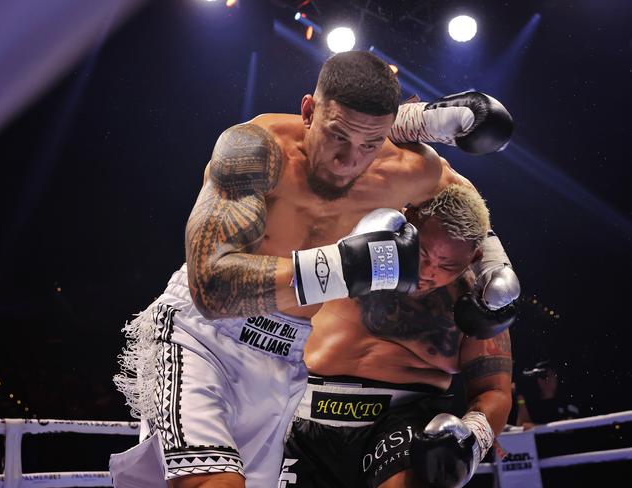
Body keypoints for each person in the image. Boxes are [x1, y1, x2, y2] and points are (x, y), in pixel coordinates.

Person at [110, 50, 519, 488]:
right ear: (308, 111)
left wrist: (497, 271)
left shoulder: (405, 172)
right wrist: (345, 267)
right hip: (204, 337)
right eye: (337, 136)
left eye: (369, 144)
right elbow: (211, 287)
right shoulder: (255, 148)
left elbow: (467, 211)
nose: (349, 160)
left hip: (284, 357)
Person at [281, 185, 513, 488]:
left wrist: (472, 440)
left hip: (400, 421)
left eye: (447, 266)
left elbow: (494, 390)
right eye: (422, 253)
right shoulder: (355, 247)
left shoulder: (479, 304)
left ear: (474, 256)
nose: (428, 271)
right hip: (304, 413)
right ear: (408, 219)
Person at [515, 360, 580, 428]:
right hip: (540, 439)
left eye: (550, 375)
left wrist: (537, 427)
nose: (547, 379)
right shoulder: (534, 404)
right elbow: (523, 426)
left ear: (556, 378)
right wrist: (520, 396)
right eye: (543, 376)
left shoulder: (567, 401)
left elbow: (569, 427)